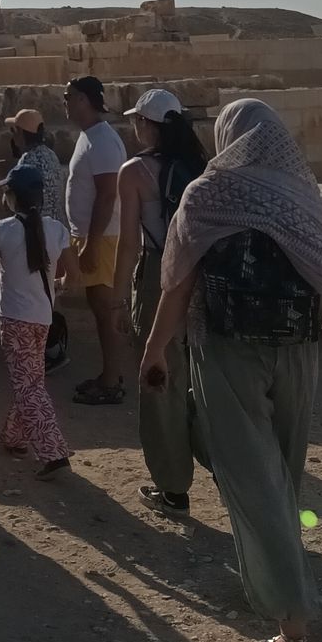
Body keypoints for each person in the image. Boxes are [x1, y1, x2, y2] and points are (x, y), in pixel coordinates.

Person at [139, 98, 322, 642]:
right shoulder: (301, 192)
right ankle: (290, 587)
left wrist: (155, 349)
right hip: (298, 351)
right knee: (283, 472)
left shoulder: (208, 194)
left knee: (254, 482)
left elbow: (177, 285)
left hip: (229, 350)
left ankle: (292, 623)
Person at [114, 87, 210, 517]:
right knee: (203, 374)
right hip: (204, 276)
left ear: (145, 124)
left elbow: (128, 243)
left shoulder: (135, 171)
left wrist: (118, 299)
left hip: (160, 272)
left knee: (160, 375)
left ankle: (172, 486)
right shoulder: (200, 166)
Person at [0, 159, 77, 480]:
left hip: (14, 320)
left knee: (28, 385)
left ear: (12, 197)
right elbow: (73, 275)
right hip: (43, 319)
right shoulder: (56, 230)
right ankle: (13, 436)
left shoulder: (1, 230)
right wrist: (56, 286)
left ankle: (53, 453)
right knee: (31, 380)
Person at [64, 75, 128, 405]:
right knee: (100, 308)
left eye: (69, 96)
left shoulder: (102, 140)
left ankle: (111, 381)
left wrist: (91, 243)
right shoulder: (90, 136)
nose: (65, 102)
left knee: (106, 311)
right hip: (94, 236)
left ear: (83, 100)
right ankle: (109, 375)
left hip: (102, 238)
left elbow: (107, 194)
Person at [4, 107, 66, 224]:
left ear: (20, 132)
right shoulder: (52, 155)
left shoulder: (27, 160)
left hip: (38, 229)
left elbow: (9, 202)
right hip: (58, 227)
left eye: (13, 130)